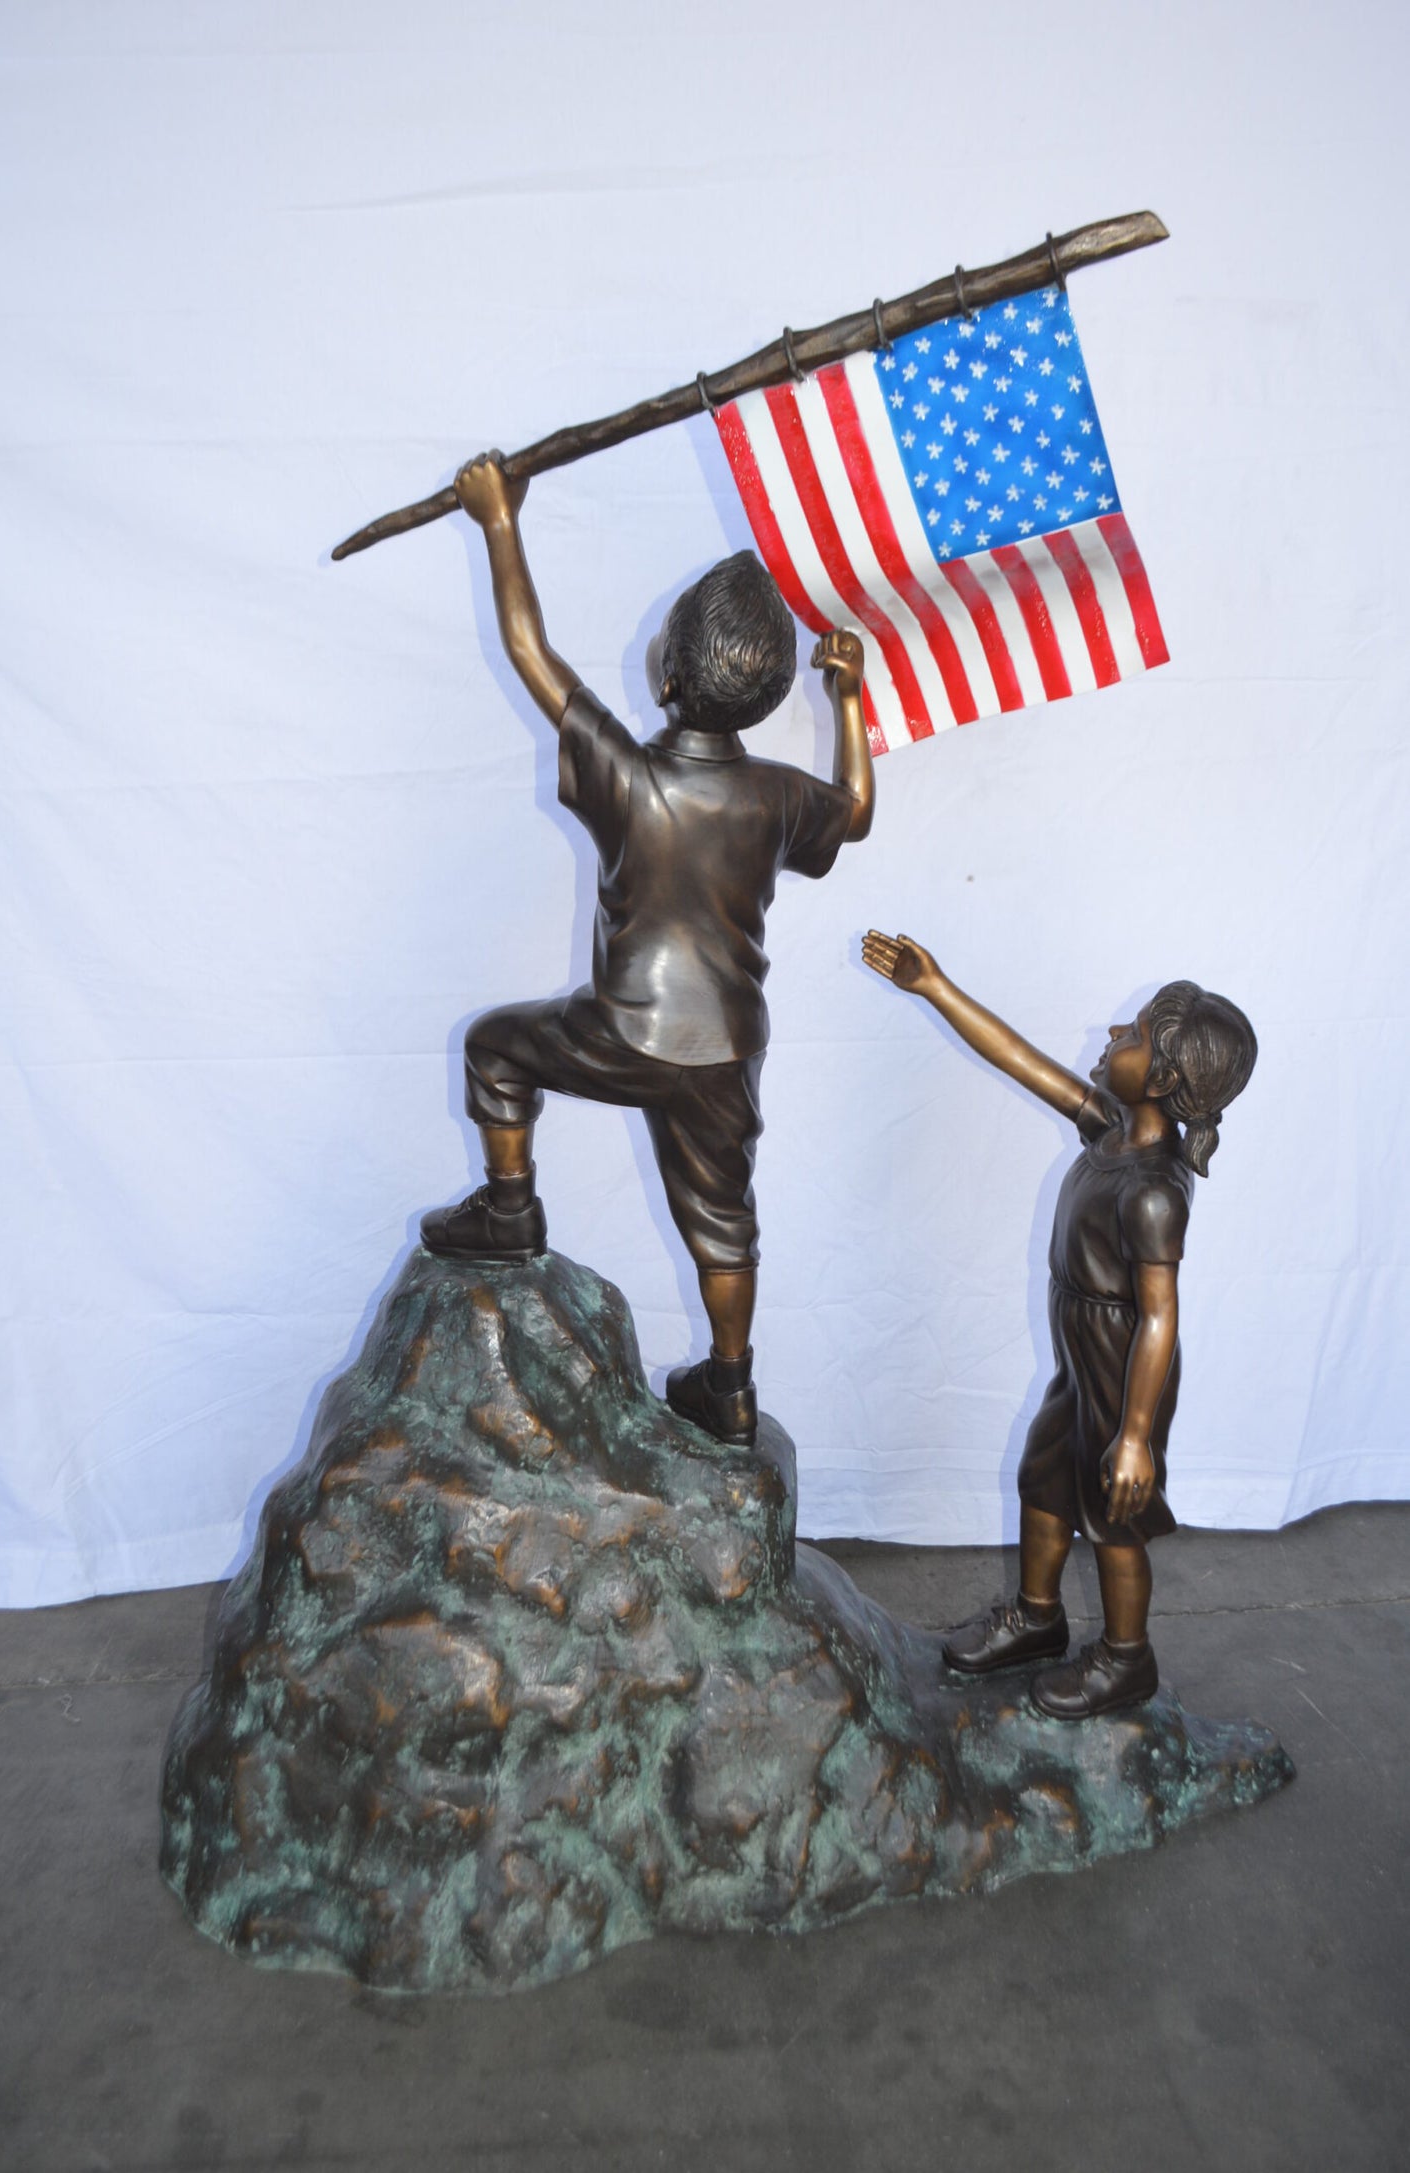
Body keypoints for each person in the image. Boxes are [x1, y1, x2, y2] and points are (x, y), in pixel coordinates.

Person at [423, 452, 875, 1445]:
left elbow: (531, 655)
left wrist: (499, 523)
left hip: (623, 1032)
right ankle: (730, 1384)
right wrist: (847, 699)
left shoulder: (626, 776)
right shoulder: (777, 796)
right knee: (723, 1216)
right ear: (763, 705)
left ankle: (509, 1210)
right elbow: (854, 817)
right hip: (724, 1046)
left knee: (495, 1047)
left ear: (664, 673)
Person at [861, 932, 1257, 1718]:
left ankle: (1124, 1658)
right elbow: (1020, 1058)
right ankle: (1037, 1618)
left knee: (1115, 1515)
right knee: (1043, 1476)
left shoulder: (1153, 1191)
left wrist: (1136, 1433)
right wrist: (935, 986)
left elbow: (1158, 1316)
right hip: (1081, 1356)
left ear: (1167, 1078)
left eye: (1135, 1033)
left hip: (1120, 1364)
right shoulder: (1110, 1126)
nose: (1114, 1034)